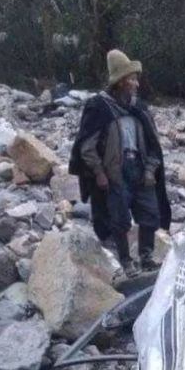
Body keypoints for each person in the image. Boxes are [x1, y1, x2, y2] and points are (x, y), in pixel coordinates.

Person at [68, 49, 172, 278]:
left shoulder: (139, 107)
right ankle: (126, 262)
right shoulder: (99, 107)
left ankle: (146, 256)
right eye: (132, 79)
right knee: (119, 219)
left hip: (140, 168)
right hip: (115, 172)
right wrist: (98, 172)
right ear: (121, 82)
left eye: (136, 79)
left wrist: (151, 169)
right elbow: (86, 147)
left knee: (150, 214)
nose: (136, 83)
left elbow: (154, 145)